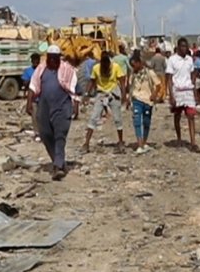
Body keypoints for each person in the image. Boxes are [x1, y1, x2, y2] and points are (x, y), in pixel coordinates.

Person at [26, 45, 78, 180]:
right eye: (51, 58)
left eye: (56, 58)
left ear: (58, 58)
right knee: (45, 134)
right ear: (48, 58)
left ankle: (58, 167)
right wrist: (29, 103)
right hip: (44, 106)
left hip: (62, 107)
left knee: (60, 135)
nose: (53, 61)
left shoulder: (67, 69)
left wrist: (76, 105)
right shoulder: (41, 69)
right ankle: (59, 161)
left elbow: (74, 89)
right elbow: (33, 86)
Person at [82, 52, 126, 154]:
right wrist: (86, 94)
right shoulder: (96, 68)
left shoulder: (115, 67)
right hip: (101, 94)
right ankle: (86, 143)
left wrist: (124, 95)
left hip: (113, 93)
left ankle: (120, 142)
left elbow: (122, 81)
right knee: (94, 118)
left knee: (118, 119)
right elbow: (92, 82)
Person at [166, 37, 199, 152]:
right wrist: (171, 95)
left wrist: (195, 92)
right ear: (178, 47)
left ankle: (193, 142)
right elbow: (169, 79)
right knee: (177, 116)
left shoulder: (189, 60)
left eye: (186, 46)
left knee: (191, 116)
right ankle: (179, 138)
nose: (185, 49)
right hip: (177, 91)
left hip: (188, 90)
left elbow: (192, 75)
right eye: (183, 46)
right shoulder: (172, 60)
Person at [128, 53, 162, 154]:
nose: (133, 67)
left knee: (146, 122)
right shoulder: (133, 74)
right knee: (137, 121)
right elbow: (130, 86)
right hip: (136, 99)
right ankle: (140, 144)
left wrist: (154, 95)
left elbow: (158, 84)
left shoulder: (149, 73)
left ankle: (144, 142)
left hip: (147, 100)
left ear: (139, 63)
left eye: (134, 65)